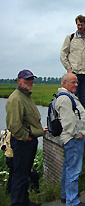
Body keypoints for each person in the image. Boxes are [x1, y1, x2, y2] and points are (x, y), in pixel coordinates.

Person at [6, 69, 47, 206]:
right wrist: (26, 137)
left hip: (29, 141)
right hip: (22, 143)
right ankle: (18, 203)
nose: (30, 82)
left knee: (24, 174)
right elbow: (14, 125)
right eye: (27, 79)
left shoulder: (25, 96)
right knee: (20, 176)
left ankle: (24, 201)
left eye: (31, 79)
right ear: (19, 81)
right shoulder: (16, 98)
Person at [57, 73, 85, 206]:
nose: (76, 85)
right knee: (74, 170)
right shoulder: (65, 99)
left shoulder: (66, 97)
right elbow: (68, 123)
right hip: (73, 139)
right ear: (64, 83)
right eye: (73, 82)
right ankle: (72, 201)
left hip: (71, 138)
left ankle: (65, 196)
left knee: (68, 168)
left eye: (76, 82)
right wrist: (78, 134)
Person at [60, 14, 85, 111]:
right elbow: (63, 54)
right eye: (78, 25)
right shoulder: (70, 38)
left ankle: (83, 121)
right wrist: (69, 68)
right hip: (74, 74)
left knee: (83, 99)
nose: (80, 27)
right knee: (73, 98)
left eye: (82, 25)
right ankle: (72, 120)